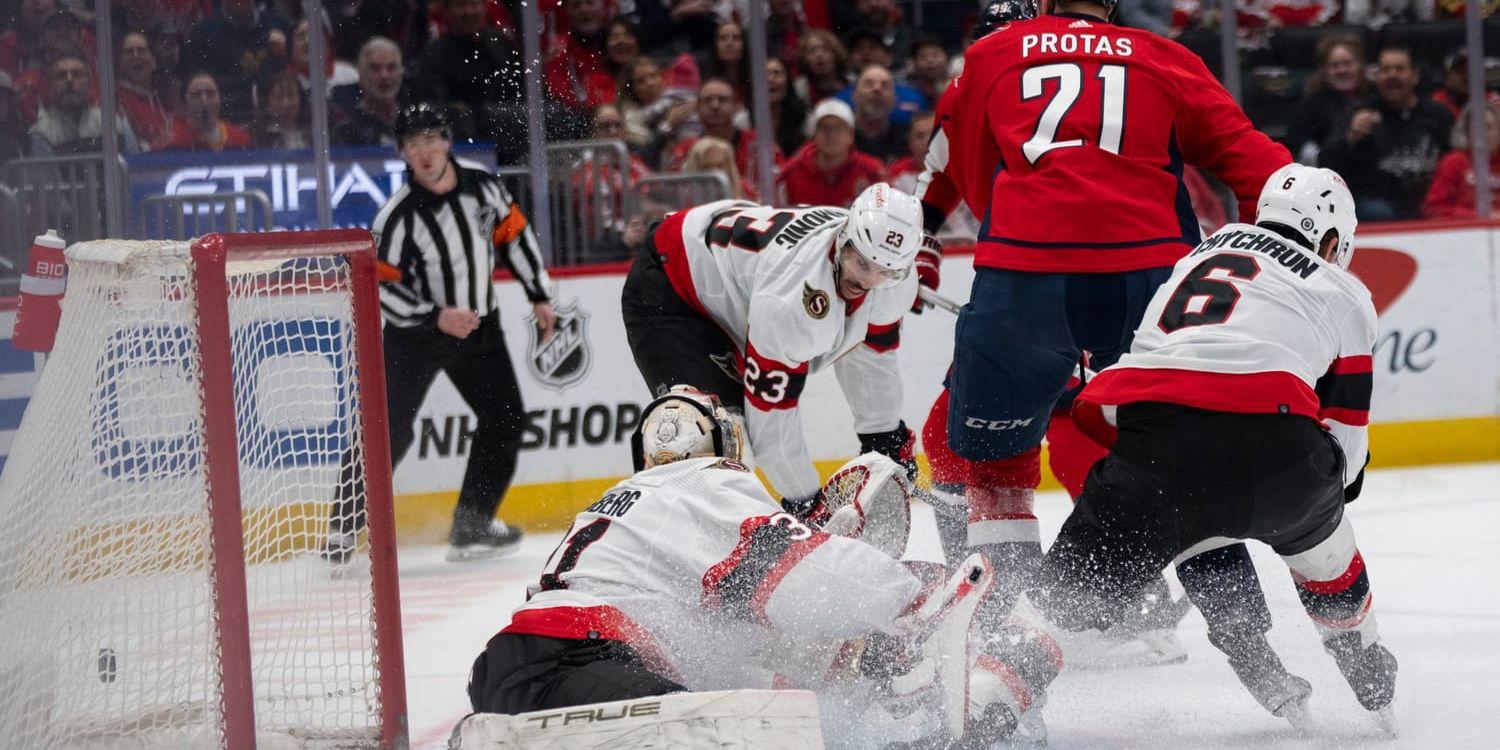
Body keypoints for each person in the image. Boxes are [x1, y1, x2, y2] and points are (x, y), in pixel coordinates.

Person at [915, 0, 1291, 618]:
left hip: (1024, 270)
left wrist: (1021, 226)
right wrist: (1262, 264)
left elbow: (971, 170)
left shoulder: (991, 54)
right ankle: (1244, 637)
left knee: (995, 467)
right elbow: (1266, 171)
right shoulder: (1166, 57)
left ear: (1042, 4)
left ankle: (1004, 638)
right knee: (1179, 458)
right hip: (1150, 276)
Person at [468, 386, 1057, 745]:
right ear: (720, 447)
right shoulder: (705, 483)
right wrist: (912, 599)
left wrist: (847, 659)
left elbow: (744, 638)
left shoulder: (630, 510)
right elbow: (801, 568)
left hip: (505, 671)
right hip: (582, 661)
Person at [1036, 164, 1399, 725]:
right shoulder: (1342, 289)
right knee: (1323, 543)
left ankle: (996, 684)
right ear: (1331, 239)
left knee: (1155, 532)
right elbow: (1347, 451)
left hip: (1156, 446)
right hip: (1276, 454)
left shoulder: (1196, 256)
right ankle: (1364, 660)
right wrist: (1318, 507)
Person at [323, 103, 557, 564]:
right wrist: (435, 316)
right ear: (403, 155)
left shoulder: (483, 187)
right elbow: (380, 286)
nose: (425, 151)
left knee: (505, 418)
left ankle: (472, 523)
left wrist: (538, 293)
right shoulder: (397, 216)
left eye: (432, 139)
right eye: (414, 144)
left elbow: (514, 235)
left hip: (478, 328)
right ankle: (342, 529)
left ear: (447, 142)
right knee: (389, 429)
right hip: (416, 336)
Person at [620, 183, 922, 515]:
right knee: (717, 441)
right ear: (844, 238)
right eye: (861, 264)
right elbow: (772, 423)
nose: (866, 282)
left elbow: (867, 355)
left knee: (727, 443)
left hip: (737, 284)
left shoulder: (894, 281)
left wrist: (882, 434)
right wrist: (806, 503)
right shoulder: (791, 300)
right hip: (672, 287)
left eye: (885, 272)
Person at [1319, 46, 1454, 221]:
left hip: (1430, 198)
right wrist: (1351, 138)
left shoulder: (1438, 114)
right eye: (1385, 70)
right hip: (1380, 204)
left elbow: (1458, 157)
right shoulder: (1359, 113)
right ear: (1376, 77)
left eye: (1399, 69)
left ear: (1414, 76)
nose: (1392, 75)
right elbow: (1326, 161)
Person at [179, 0, 292, 125]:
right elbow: (196, 86)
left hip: (275, 122)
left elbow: (294, 79)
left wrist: (281, 56)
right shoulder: (202, 33)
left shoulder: (279, 25)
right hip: (225, 124)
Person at [1284, 33, 1373, 165]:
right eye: (1335, 65)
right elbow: (1298, 149)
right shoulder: (1311, 106)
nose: (1342, 70)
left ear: (1360, 66)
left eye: (1348, 64)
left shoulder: (1376, 97)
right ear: (1325, 71)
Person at [778, 99, 886, 207]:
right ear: (814, 135)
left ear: (851, 135)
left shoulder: (872, 171)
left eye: (838, 128)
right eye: (824, 128)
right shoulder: (791, 173)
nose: (831, 135)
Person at [30, 51, 141, 156]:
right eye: (61, 76)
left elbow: (136, 170)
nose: (69, 80)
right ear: (49, 85)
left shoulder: (114, 123)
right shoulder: (41, 134)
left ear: (90, 82)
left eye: (77, 74)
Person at [1423, 102, 1500, 219]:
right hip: (1463, 231)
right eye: (1476, 128)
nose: (1483, 134)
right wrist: (1477, 216)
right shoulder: (1454, 162)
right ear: (1467, 133)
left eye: (1488, 127)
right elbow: (1434, 209)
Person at [331, 36, 406, 147]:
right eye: (375, 68)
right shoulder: (346, 131)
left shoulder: (413, 121)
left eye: (391, 67)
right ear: (361, 75)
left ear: (401, 73)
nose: (384, 75)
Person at [164, 70, 250, 151]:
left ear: (219, 98)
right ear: (185, 101)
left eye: (210, 93)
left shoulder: (239, 139)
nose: (204, 100)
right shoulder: (173, 140)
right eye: (196, 94)